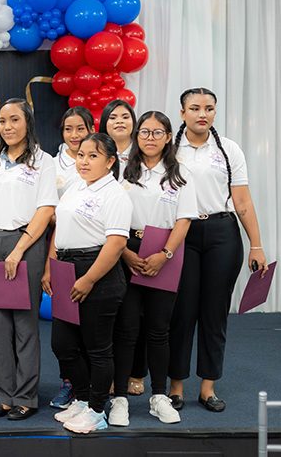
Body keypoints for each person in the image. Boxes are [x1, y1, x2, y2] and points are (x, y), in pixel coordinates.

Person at [168, 88, 268, 413]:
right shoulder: (170, 149)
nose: (203, 114)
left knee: (214, 313)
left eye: (209, 108)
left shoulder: (228, 149)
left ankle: (208, 387)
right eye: (195, 108)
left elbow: (242, 200)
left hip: (223, 234)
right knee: (181, 313)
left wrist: (256, 244)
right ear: (182, 113)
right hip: (182, 233)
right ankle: (176, 387)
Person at [110, 111, 196, 426]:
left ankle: (159, 396)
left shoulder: (180, 173)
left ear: (168, 136)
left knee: (159, 329)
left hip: (165, 254)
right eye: (144, 132)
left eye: (157, 132)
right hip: (127, 250)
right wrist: (125, 254)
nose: (150, 138)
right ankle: (119, 397)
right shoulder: (122, 171)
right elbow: (112, 216)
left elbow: (184, 219)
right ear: (137, 136)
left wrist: (166, 253)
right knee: (127, 328)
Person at [0, 99, 57, 421]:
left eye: (14, 120)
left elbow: (46, 209)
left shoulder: (43, 161)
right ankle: (3, 395)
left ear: (28, 123)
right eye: (3, 122)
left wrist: (19, 249)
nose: (7, 127)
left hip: (27, 243)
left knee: (24, 326)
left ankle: (25, 396)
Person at [46, 133, 132, 434]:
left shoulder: (115, 194)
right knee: (63, 344)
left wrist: (89, 278)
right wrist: (51, 266)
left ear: (110, 161)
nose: (84, 161)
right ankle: (82, 399)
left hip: (97, 272)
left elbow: (117, 242)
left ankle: (96, 409)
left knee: (97, 348)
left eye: (93, 156)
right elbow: (60, 229)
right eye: (81, 155)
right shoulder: (74, 186)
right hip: (67, 268)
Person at [100, 99, 146, 395]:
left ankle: (136, 372)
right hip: (102, 241)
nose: (119, 121)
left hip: (138, 241)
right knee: (109, 315)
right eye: (113, 116)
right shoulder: (96, 154)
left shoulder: (146, 157)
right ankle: (110, 374)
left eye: (125, 116)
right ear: (103, 123)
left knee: (137, 312)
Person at [49, 107, 94, 409]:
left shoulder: (101, 161)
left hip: (93, 252)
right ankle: (70, 383)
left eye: (80, 128)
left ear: (91, 128)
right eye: (68, 129)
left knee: (92, 326)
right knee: (65, 326)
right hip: (60, 247)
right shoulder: (52, 165)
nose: (75, 136)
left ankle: (94, 387)